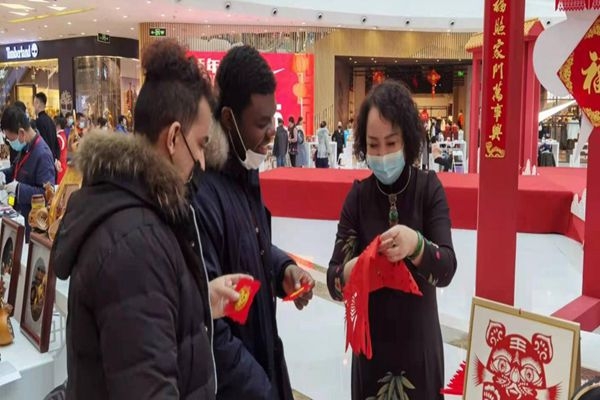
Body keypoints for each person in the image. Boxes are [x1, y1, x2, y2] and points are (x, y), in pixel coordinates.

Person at [49, 38, 248, 400]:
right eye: (201, 144)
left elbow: (142, 324)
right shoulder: (136, 243)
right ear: (173, 138)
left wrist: (197, 300)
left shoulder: (136, 215)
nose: (203, 162)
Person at [194, 44, 315, 400]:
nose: (270, 133)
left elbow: (249, 244)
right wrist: (261, 389)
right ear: (228, 119)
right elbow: (209, 325)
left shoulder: (245, 173)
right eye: (261, 124)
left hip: (264, 363)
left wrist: (282, 270)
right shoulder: (203, 193)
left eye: (272, 120)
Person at [327, 80, 457, 400]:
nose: (382, 154)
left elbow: (446, 269)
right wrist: (358, 267)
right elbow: (333, 281)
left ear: (407, 141)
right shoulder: (358, 198)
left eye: (391, 143)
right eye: (373, 145)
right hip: (371, 354)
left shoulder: (428, 190)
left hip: (419, 352)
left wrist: (417, 245)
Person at [0, 106, 56, 241]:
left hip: (32, 226)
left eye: (10, 139)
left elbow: (47, 195)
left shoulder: (42, 154)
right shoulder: (26, 147)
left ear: (21, 133)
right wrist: (3, 174)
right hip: (19, 217)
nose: (9, 143)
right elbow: (16, 169)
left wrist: (19, 189)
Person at [33, 93, 60, 169]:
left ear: (38, 104)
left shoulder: (39, 121)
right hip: (52, 160)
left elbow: (43, 143)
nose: (33, 106)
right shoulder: (50, 120)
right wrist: (56, 159)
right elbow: (56, 143)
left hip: (45, 162)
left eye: (34, 103)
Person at [53, 116, 68, 184]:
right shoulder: (62, 134)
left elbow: (57, 152)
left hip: (59, 167)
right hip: (62, 165)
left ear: (58, 125)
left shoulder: (59, 137)